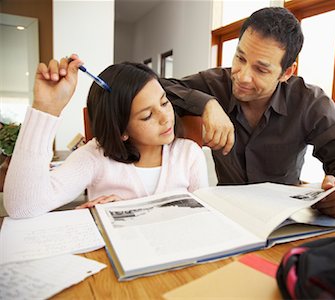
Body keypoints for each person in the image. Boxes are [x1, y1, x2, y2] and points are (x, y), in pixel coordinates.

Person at [161, 7, 335, 219]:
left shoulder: (309, 102)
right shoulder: (214, 84)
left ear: (287, 72)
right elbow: (153, 87)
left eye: (261, 70)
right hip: (225, 214)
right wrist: (206, 104)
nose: (243, 77)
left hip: (283, 219)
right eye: (240, 58)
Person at [4, 54, 208, 218]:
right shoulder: (95, 157)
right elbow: (23, 206)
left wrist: (131, 212)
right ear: (121, 131)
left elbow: (204, 217)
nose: (166, 118)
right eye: (147, 116)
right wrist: (46, 109)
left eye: (164, 103)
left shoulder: (189, 154)